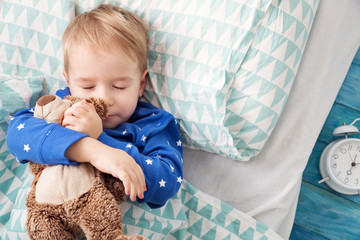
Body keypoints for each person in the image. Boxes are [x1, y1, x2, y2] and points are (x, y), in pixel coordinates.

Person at [6, 4, 183, 208]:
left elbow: (168, 182)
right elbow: (18, 133)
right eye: (87, 86)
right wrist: (94, 150)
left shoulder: (154, 124)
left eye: (119, 86)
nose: (104, 97)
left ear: (141, 84)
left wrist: (103, 139)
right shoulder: (62, 107)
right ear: (69, 82)